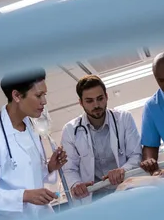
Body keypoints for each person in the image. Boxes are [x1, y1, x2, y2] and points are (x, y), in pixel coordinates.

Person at [0, 69, 67, 220]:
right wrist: (24, 196)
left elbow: (26, 175)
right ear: (16, 96)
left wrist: (49, 167)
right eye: (38, 95)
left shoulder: (30, 127)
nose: (44, 102)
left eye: (45, 95)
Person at [61, 75, 142, 204]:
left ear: (106, 96)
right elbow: (70, 169)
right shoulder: (70, 130)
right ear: (81, 103)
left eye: (100, 98)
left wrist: (123, 170)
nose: (96, 105)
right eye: (89, 101)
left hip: (125, 189)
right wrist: (76, 184)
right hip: (94, 198)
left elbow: (136, 155)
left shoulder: (124, 119)